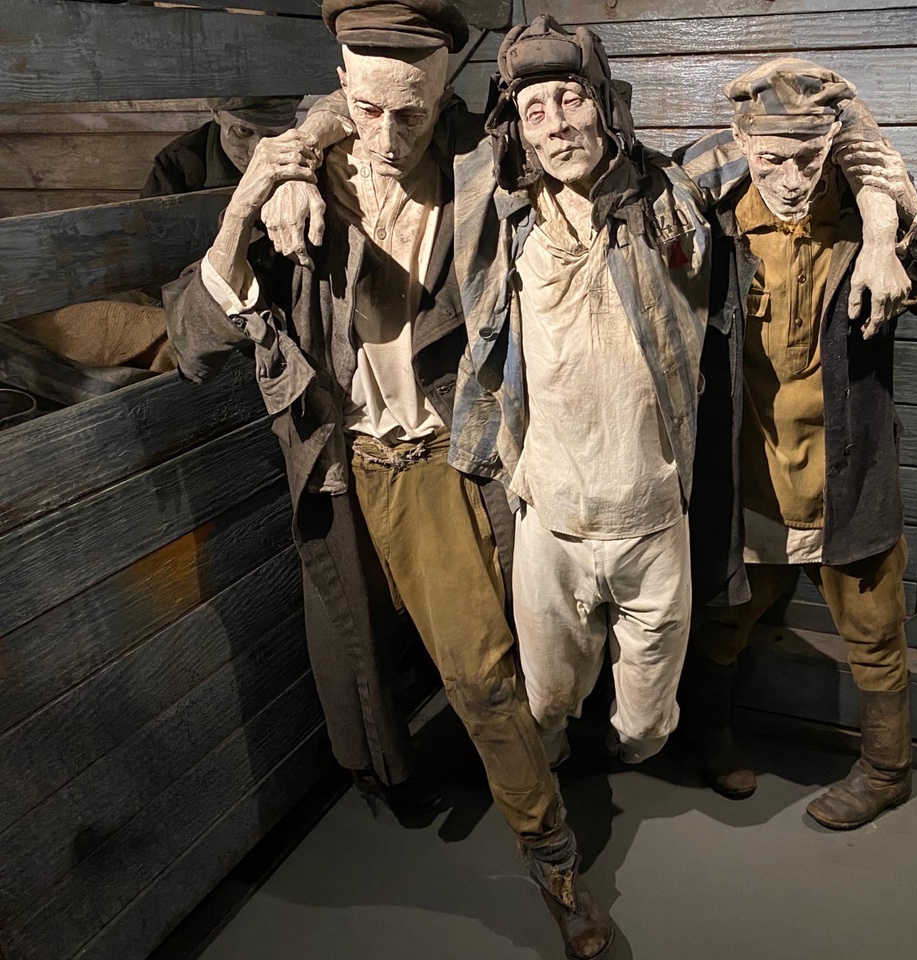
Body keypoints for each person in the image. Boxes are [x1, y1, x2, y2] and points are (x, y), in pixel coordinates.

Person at [162, 3, 612, 955]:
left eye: (411, 111)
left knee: (482, 672)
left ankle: (554, 860)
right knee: (355, 659)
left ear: (446, 93)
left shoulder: (483, 161)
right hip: (337, 462)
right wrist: (258, 193)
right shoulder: (302, 179)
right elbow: (194, 341)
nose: (386, 134)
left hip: (438, 461)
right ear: (339, 82)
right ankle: (394, 778)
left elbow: (595, 150)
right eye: (366, 108)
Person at [676, 59, 917, 827]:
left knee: (875, 632)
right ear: (742, 142)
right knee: (721, 621)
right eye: (772, 158)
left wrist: (904, 208)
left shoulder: (868, 215)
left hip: (848, 476)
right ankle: (709, 738)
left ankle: (888, 770)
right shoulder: (712, 215)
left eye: (809, 157)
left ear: (833, 143)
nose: (792, 178)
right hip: (748, 475)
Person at [445, 16, 710, 771]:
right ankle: (559, 767)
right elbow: (392, 127)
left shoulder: (668, 200)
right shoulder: (505, 220)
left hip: (652, 513)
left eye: (572, 100)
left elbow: (768, 145)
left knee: (648, 723)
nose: (558, 124)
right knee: (548, 701)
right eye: (536, 111)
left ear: (605, 104)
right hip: (552, 515)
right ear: (520, 134)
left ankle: (626, 756)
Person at [141, 96, 302, 197]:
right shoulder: (179, 162)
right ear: (217, 113)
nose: (256, 152)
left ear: (292, 127)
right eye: (242, 131)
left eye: (273, 136)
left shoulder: (304, 156)